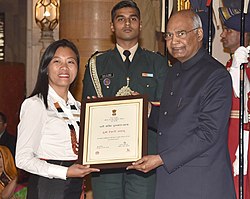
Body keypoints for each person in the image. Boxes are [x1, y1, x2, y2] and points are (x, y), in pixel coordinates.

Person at [127, 9, 236, 199]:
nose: (173, 41)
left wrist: (161, 159)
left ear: (199, 34)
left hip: (201, 185)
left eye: (181, 34)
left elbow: (208, 133)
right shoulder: (173, 72)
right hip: (171, 182)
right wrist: (148, 110)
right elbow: (172, 122)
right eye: (169, 35)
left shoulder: (216, 76)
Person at [82, 1, 167, 198]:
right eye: (121, 19)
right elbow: (89, 113)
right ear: (112, 26)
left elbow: (166, 113)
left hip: (144, 158)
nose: (127, 23)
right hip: (106, 159)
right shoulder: (97, 64)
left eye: (133, 19)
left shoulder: (157, 63)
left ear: (140, 24)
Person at [15, 39, 100, 199]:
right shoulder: (36, 104)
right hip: (48, 186)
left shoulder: (82, 108)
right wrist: (65, 172)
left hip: (75, 183)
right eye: (57, 61)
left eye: (70, 62)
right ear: (46, 68)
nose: (64, 67)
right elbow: (22, 159)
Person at [219, 6, 250, 199]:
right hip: (228, 132)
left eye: (229, 30)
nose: (222, 35)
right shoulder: (230, 65)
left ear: (245, 34)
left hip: (243, 134)